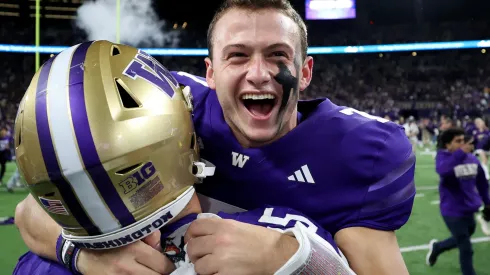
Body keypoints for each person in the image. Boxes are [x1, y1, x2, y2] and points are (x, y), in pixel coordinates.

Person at [14, 1, 416, 274]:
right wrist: (85, 258)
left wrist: (289, 256)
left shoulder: (358, 150)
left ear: (305, 72)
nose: (259, 73)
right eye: (238, 55)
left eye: (278, 55)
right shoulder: (165, 111)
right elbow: (31, 214)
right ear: (211, 72)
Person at [426, 128, 490, 275]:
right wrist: (461, 153)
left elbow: (481, 183)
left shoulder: (472, 158)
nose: (463, 144)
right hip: (452, 211)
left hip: (469, 208)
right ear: (448, 145)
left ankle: (438, 247)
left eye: (463, 140)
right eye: (458, 141)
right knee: (466, 247)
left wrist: (487, 202)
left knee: (466, 235)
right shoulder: (443, 158)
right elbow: (443, 170)